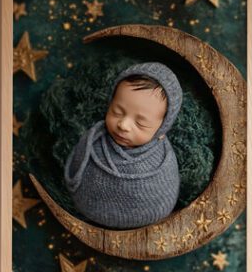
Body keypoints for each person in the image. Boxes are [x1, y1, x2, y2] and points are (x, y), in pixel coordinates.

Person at [63, 62, 182, 229]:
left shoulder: (162, 163)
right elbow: (76, 167)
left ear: (162, 129)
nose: (123, 125)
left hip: (139, 232)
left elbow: (164, 197)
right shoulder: (94, 141)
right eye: (117, 112)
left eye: (140, 123)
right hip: (83, 217)